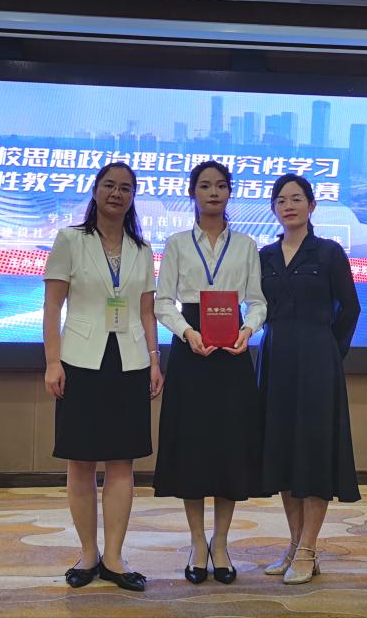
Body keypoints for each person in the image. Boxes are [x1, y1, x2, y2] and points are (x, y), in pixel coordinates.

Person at [42, 161, 164, 593]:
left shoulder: (141, 249)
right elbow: (52, 306)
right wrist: (52, 362)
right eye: (109, 186)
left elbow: (147, 312)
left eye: (126, 188)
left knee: (122, 462)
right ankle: (88, 554)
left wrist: (154, 360)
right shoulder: (70, 239)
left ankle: (114, 557)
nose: (117, 193)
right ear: (95, 190)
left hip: (129, 361)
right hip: (79, 360)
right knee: (80, 461)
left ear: (133, 197)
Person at [153, 160, 266, 585]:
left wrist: (248, 330)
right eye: (204, 186)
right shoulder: (178, 243)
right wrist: (187, 332)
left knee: (229, 448)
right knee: (193, 448)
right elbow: (163, 301)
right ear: (193, 193)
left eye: (220, 186)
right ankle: (197, 543)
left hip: (233, 353)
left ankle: (221, 543)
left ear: (230, 192)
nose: (213, 193)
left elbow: (257, 301)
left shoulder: (247, 245)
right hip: (192, 350)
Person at [256, 173, 362, 585]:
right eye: (281, 200)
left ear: (312, 205)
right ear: (273, 209)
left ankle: (308, 547)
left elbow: (350, 309)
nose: (289, 205)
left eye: (297, 198)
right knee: (285, 451)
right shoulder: (265, 255)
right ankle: (294, 543)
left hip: (318, 360)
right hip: (276, 358)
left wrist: (331, 351)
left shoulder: (329, 252)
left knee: (314, 452)